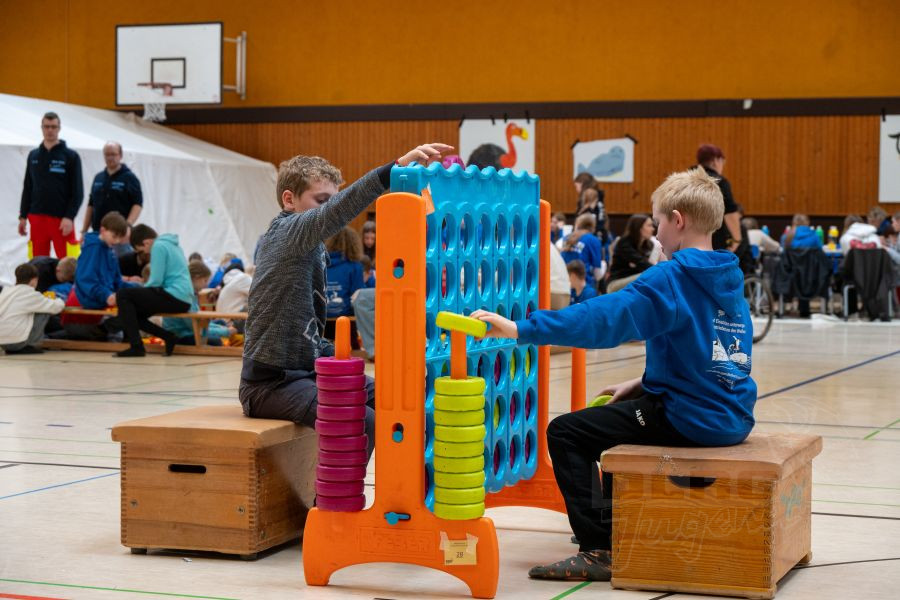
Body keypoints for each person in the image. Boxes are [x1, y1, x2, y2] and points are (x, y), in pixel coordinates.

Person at [469, 166, 756, 582]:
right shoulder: (728, 276)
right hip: (733, 414)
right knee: (614, 415)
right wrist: (641, 383)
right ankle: (612, 521)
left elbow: (605, 317)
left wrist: (521, 328)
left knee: (567, 432)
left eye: (658, 223)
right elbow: (720, 353)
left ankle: (598, 547)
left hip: (691, 418)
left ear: (678, 220)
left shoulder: (673, 276)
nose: (656, 236)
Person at [239, 143, 453, 462]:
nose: (329, 209)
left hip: (306, 373)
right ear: (289, 199)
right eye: (321, 201)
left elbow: (305, 331)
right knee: (362, 421)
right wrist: (392, 170)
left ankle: (412, 483)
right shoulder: (286, 232)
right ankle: (336, 496)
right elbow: (339, 210)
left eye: (331, 199)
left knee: (398, 400)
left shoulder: (311, 246)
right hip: (269, 385)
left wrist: (336, 356)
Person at [114, 224, 195, 357]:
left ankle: (136, 346)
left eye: (141, 251)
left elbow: (156, 281)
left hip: (174, 295)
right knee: (133, 313)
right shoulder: (173, 245)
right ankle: (168, 337)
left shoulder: (158, 246)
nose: (146, 253)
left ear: (146, 242)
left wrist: (140, 292)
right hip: (184, 298)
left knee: (123, 295)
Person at [18, 112, 83, 259]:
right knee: (38, 262)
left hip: (61, 219)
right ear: (42, 128)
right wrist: (23, 216)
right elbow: (28, 187)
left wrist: (69, 217)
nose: (50, 130)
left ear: (59, 128)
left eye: (53, 127)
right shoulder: (33, 155)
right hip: (37, 217)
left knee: (67, 262)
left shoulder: (70, 156)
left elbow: (78, 192)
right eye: (46, 126)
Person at [696, 144, 752, 271]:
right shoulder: (718, 181)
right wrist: (737, 240)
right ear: (716, 160)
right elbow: (730, 213)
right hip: (713, 239)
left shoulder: (684, 178)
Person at [80, 142, 143, 248]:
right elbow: (91, 204)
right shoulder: (98, 177)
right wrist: (84, 231)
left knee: (119, 258)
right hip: (98, 233)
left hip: (118, 235)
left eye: (113, 154)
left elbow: (137, 204)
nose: (110, 158)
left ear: (120, 155)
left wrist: (128, 225)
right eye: (107, 154)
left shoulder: (130, 178)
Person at [163, 261, 234, 346]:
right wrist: (225, 331)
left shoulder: (190, 292)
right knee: (216, 341)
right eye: (205, 281)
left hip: (188, 329)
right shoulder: (186, 294)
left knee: (221, 323)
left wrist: (222, 328)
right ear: (197, 277)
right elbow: (196, 327)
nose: (206, 285)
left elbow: (198, 321)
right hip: (179, 335)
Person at [0, 263, 64, 355]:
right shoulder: (30, 294)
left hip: (2, 342)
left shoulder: (6, 292)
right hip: (17, 342)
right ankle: (30, 345)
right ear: (34, 280)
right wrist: (59, 300)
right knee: (44, 311)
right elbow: (55, 307)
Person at [73, 212, 132, 309]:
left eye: (120, 238)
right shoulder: (93, 249)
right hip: (92, 300)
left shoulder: (110, 250)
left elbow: (117, 281)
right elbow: (86, 280)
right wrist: (106, 295)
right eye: (114, 237)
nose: (117, 241)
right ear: (103, 230)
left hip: (106, 298)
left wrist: (136, 288)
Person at [607, 214, 655, 293]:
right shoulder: (624, 243)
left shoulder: (649, 245)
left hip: (632, 282)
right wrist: (660, 270)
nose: (653, 229)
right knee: (649, 275)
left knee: (650, 275)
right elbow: (642, 263)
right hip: (615, 283)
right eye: (649, 225)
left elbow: (643, 264)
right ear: (639, 228)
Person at [560, 214, 604, 288]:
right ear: (593, 226)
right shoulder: (593, 240)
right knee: (603, 264)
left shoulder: (566, 238)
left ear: (577, 225)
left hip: (565, 283)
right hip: (583, 285)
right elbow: (597, 273)